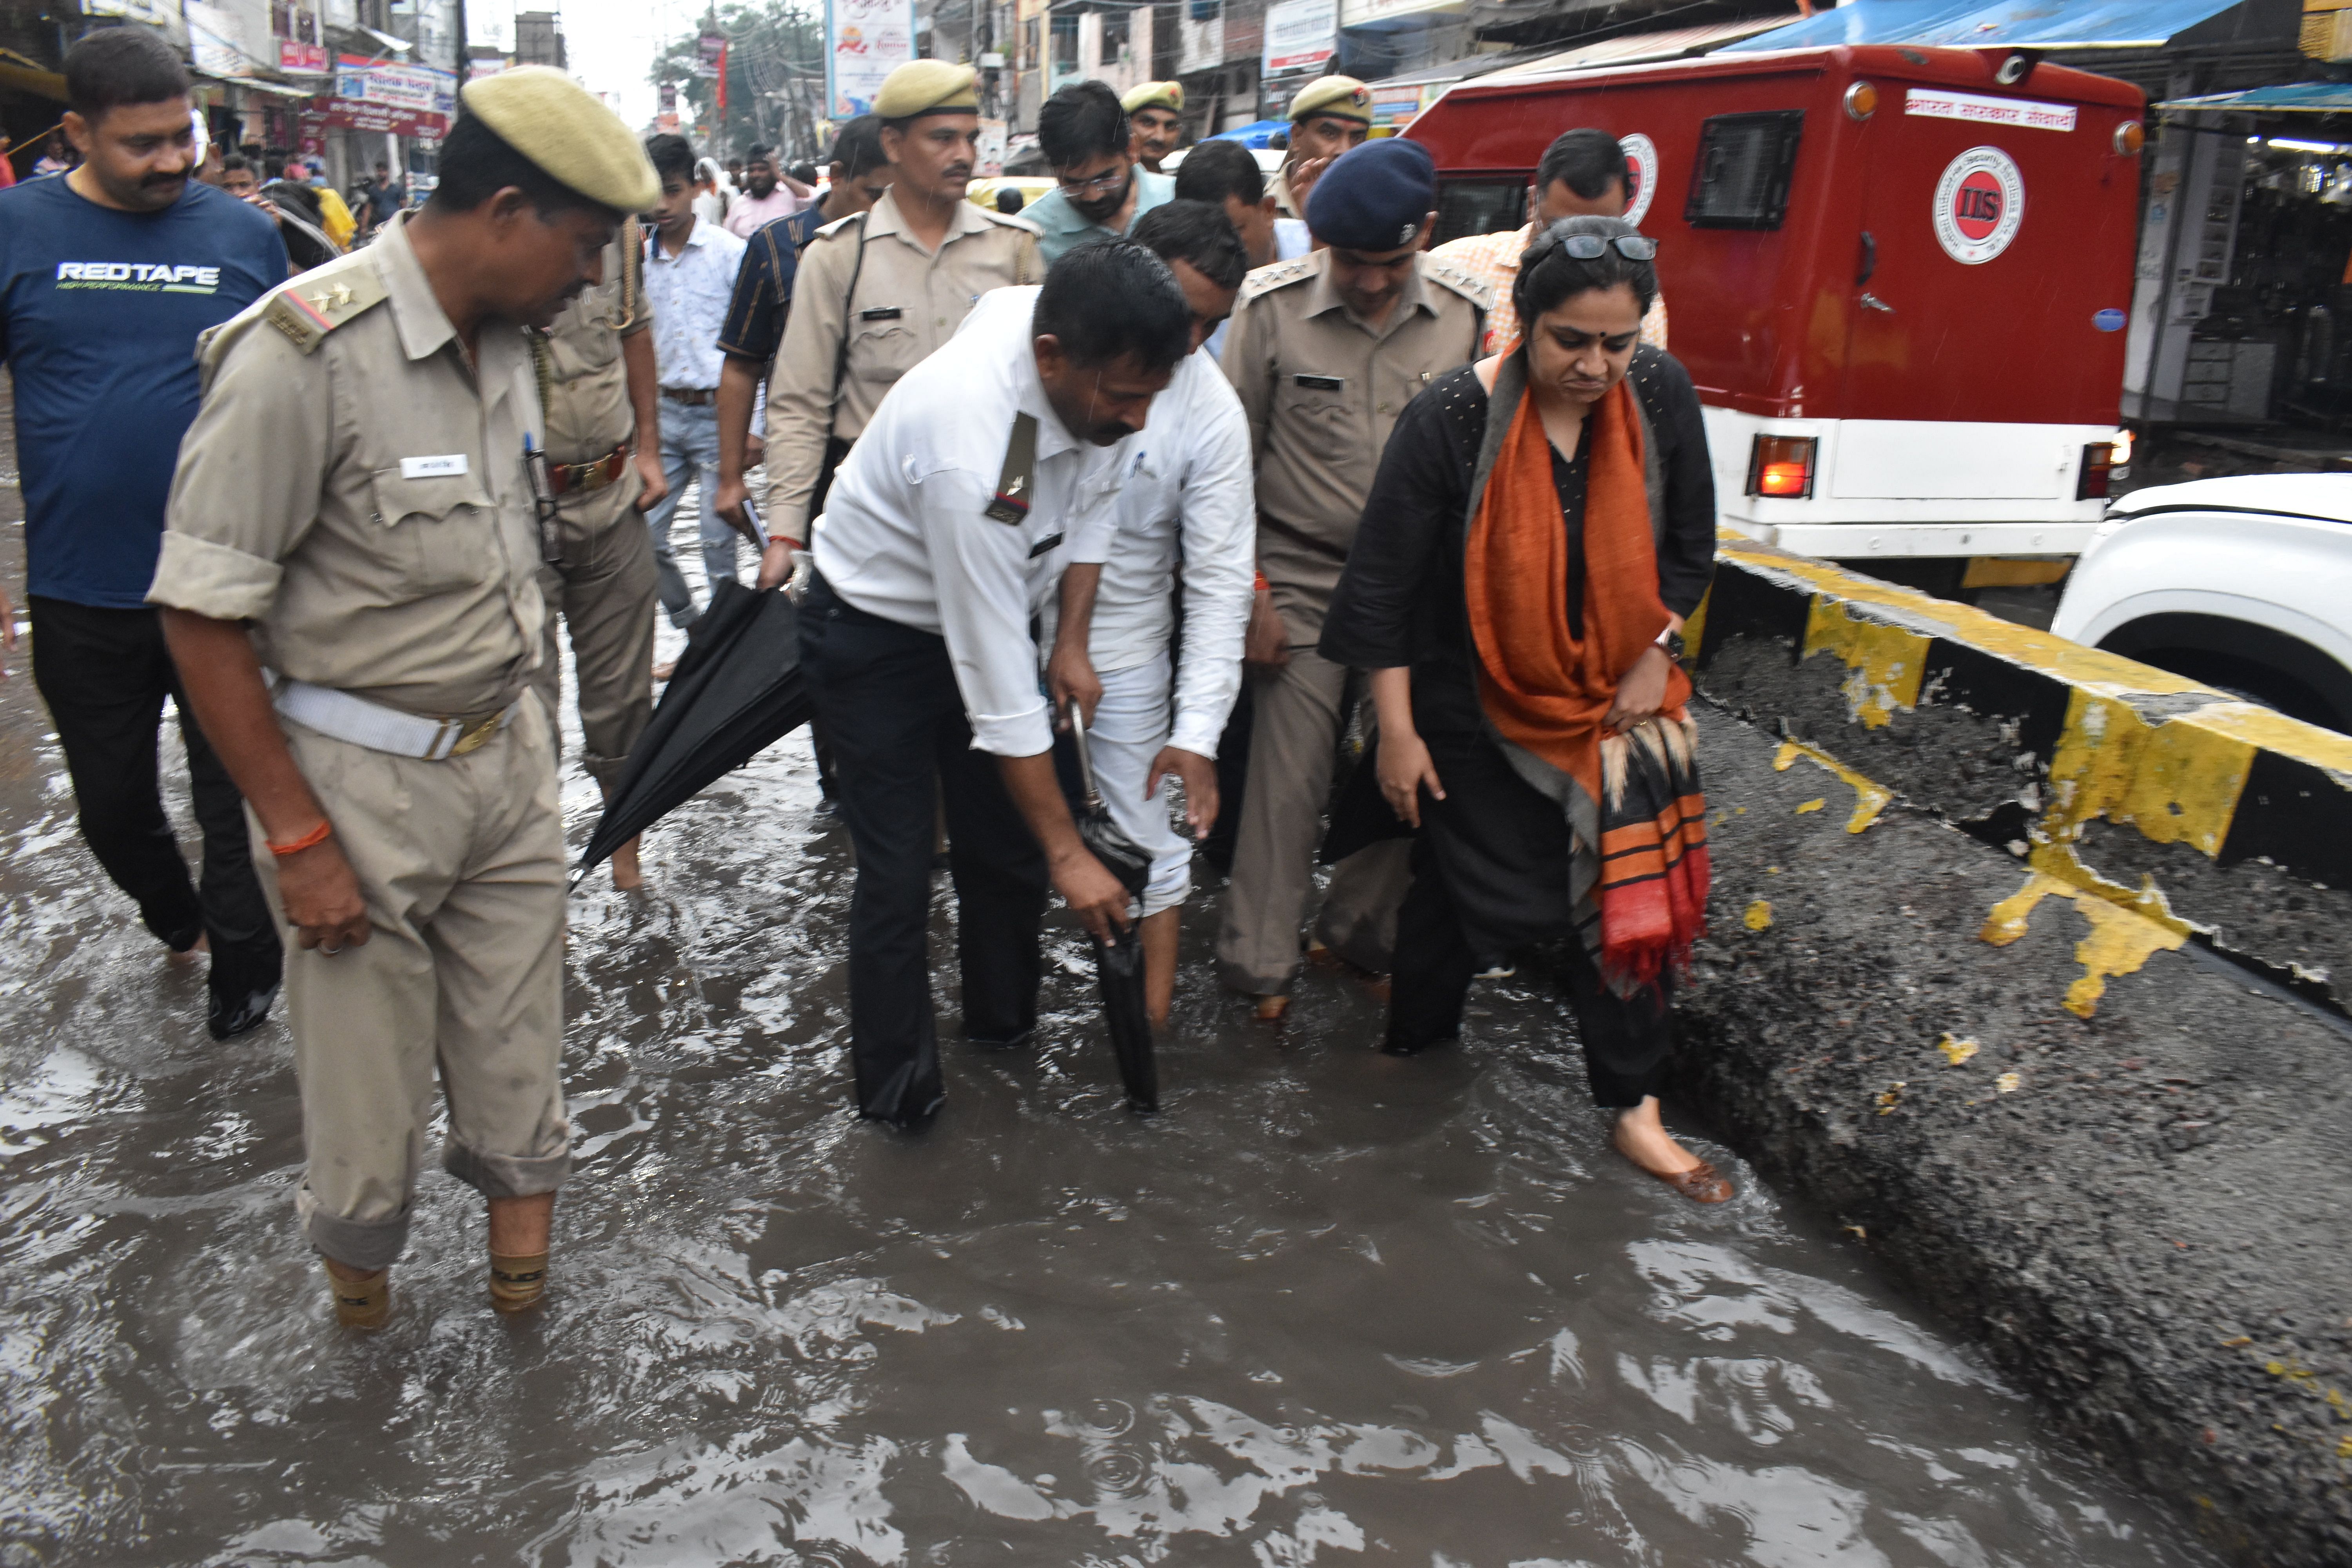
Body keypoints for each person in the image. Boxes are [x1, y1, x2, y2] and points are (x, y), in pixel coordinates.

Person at [147, 65, 659, 1328]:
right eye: (584, 245)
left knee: (520, 1065)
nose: (594, 278)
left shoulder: (506, 343)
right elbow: (200, 613)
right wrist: (297, 834)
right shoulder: (301, 353)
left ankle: (526, 1344)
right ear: (503, 212)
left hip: (505, 756)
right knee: (367, 1110)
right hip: (358, 792)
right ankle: (362, 1353)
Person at [1319, 216, 1725, 1201]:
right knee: (1464, 889)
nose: (1594, 366)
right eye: (1569, 341)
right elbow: (1386, 588)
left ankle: (1633, 1105)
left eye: (1616, 344)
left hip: (1618, 706)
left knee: (1616, 896)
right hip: (1472, 701)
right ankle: (1416, 1043)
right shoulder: (1452, 420)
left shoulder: (1662, 396)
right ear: (1523, 324)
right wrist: (1400, 734)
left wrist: (1649, 651)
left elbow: (1689, 544)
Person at [795, 240, 1189, 1125]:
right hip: (873, 634)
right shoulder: (971, 447)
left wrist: (1073, 642)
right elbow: (996, 688)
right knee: (898, 875)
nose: (1137, 417)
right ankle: (902, 1114)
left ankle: (1004, 1042)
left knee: (1004, 851)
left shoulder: (1092, 377)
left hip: (994, 609)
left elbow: (1094, 502)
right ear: (1051, 358)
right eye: (1123, 398)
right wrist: (1072, 855)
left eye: (1151, 397)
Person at [0, 25, 289, 1043]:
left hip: (223, 582)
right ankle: (180, 923)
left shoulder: (245, 237)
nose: (174, 161)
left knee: (236, 813)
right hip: (80, 592)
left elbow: (302, 399)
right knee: (112, 812)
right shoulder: (14, 229)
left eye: (185, 136)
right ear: (77, 131)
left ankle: (243, 1000)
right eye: (144, 144)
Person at [1215, 137, 1488, 1019]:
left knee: (1417, 769)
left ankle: (1357, 934)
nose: (1371, 281)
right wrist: (1250, 593)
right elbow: (1227, 469)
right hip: (1299, 576)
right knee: (1286, 781)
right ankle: (1260, 970)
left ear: (1429, 235)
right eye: (1352, 262)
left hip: (1416, 591)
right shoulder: (1272, 308)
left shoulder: (1466, 318)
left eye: (1392, 262)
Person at [1038, 201, 1256, 1025]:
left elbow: (1219, 583)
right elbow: (1006, 500)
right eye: (1185, 313)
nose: (1191, 340)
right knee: (996, 846)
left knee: (1150, 852)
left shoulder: (1211, 414)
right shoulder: (1045, 352)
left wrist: (1196, 733)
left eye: (1212, 324)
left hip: (1122, 653)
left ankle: (1145, 1040)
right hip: (1005, 623)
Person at [750, 60, 1040, 566]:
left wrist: (1015, 504)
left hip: (991, 520)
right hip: (872, 520)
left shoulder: (1014, 251)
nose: (964, 155)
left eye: (971, 139)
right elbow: (800, 404)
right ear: (892, 145)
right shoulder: (840, 256)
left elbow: (1036, 397)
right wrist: (786, 536)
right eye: (943, 139)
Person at [528, 207, 669, 889]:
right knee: (525, 703)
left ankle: (625, 856)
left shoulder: (619, 237)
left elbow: (634, 332)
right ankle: (530, 877)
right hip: (518, 506)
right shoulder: (500, 245)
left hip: (612, 498)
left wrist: (650, 448)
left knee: (621, 703)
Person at [710, 115, 892, 552]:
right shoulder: (776, 248)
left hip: (890, 455)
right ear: (840, 176)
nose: (882, 208)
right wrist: (731, 477)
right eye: (873, 194)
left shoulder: (902, 249)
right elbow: (741, 364)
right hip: (808, 455)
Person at [641, 132, 753, 619]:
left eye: (672, 190)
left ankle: (727, 656)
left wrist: (758, 426)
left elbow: (756, 351)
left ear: (697, 188)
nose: (661, 205)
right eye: (651, 193)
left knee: (717, 545)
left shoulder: (730, 254)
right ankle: (696, 636)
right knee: (643, 537)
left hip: (719, 417)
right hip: (664, 415)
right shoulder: (635, 264)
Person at [1430, 128, 1668, 357]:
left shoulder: (1641, 303)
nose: (1578, 246)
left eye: (1600, 231)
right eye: (1559, 230)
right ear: (1533, 202)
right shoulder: (1453, 268)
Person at [1172, 138, 1310, 361]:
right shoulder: (1187, 291)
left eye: (1234, 231)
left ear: (1268, 211)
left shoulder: (1316, 250)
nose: (1219, 249)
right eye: (1203, 237)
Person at [1024, 79, 1175, 266]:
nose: (1092, 196)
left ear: (1132, 150)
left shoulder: (1178, 202)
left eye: (1105, 178)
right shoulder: (1031, 236)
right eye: (1073, 184)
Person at [1271, 76, 1371, 221]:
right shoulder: (1258, 204)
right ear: (1297, 136)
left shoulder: (1370, 210)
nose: (1345, 151)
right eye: (1330, 134)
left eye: (1357, 138)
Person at [724, 142, 799, 238]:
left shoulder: (790, 197)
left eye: (762, 169)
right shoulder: (738, 204)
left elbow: (814, 198)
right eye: (752, 170)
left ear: (772, 171)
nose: (756, 175)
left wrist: (780, 176)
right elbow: (727, 239)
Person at [1122, 80, 1184, 172]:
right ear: (1125, 126)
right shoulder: (1105, 184)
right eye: (1148, 123)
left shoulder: (1174, 185)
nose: (1160, 138)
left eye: (1170, 127)